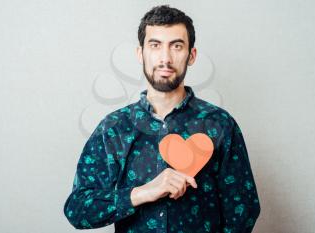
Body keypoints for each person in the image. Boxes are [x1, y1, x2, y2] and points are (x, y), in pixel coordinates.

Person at [63, 5, 260, 233]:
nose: (165, 58)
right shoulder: (114, 128)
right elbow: (77, 210)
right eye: (155, 45)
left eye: (176, 46)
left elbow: (244, 209)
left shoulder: (220, 124)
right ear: (141, 53)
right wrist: (143, 192)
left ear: (191, 55)